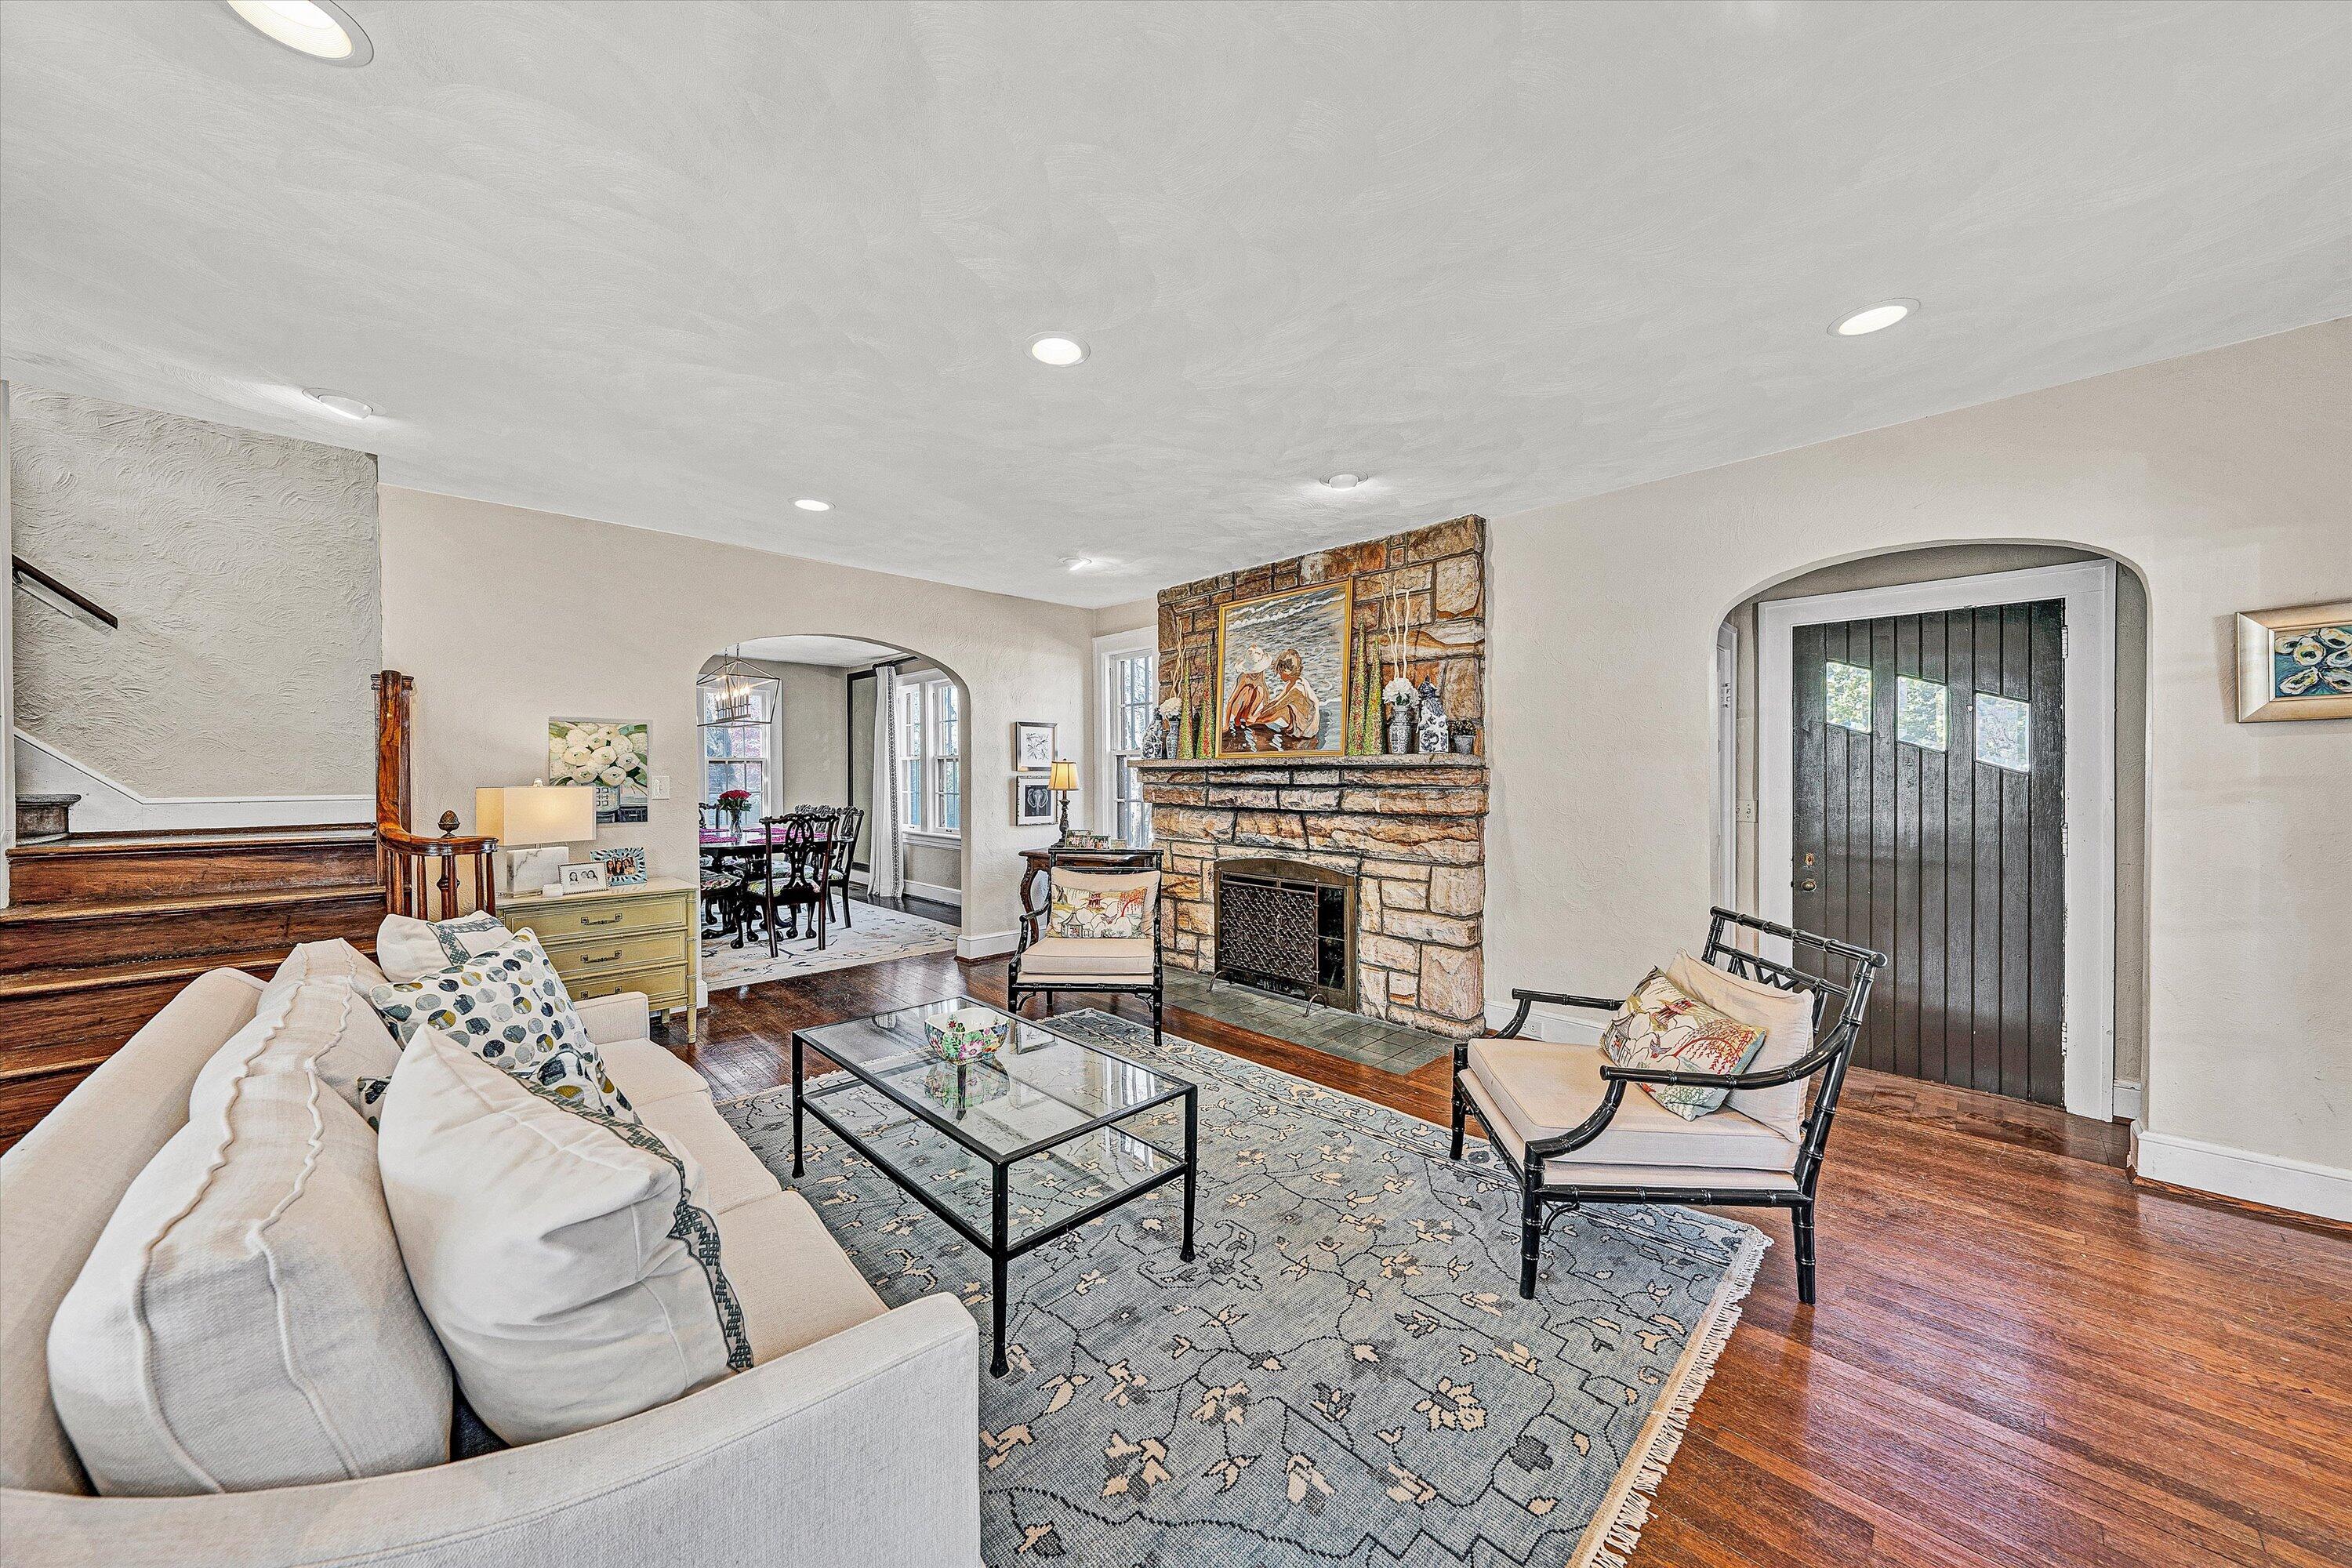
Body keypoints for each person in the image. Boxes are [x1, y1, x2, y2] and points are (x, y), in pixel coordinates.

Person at [1258, 648, 1320, 746]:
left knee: (1282, 711)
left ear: (1287, 671)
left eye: (1280, 672)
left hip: (1307, 729)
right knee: (1281, 709)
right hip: (1304, 720)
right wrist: (1263, 710)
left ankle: (1255, 722)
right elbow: (1277, 700)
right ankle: (1257, 720)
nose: (1279, 675)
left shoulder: (1297, 689)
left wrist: (1258, 717)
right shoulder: (1294, 682)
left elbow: (1277, 707)